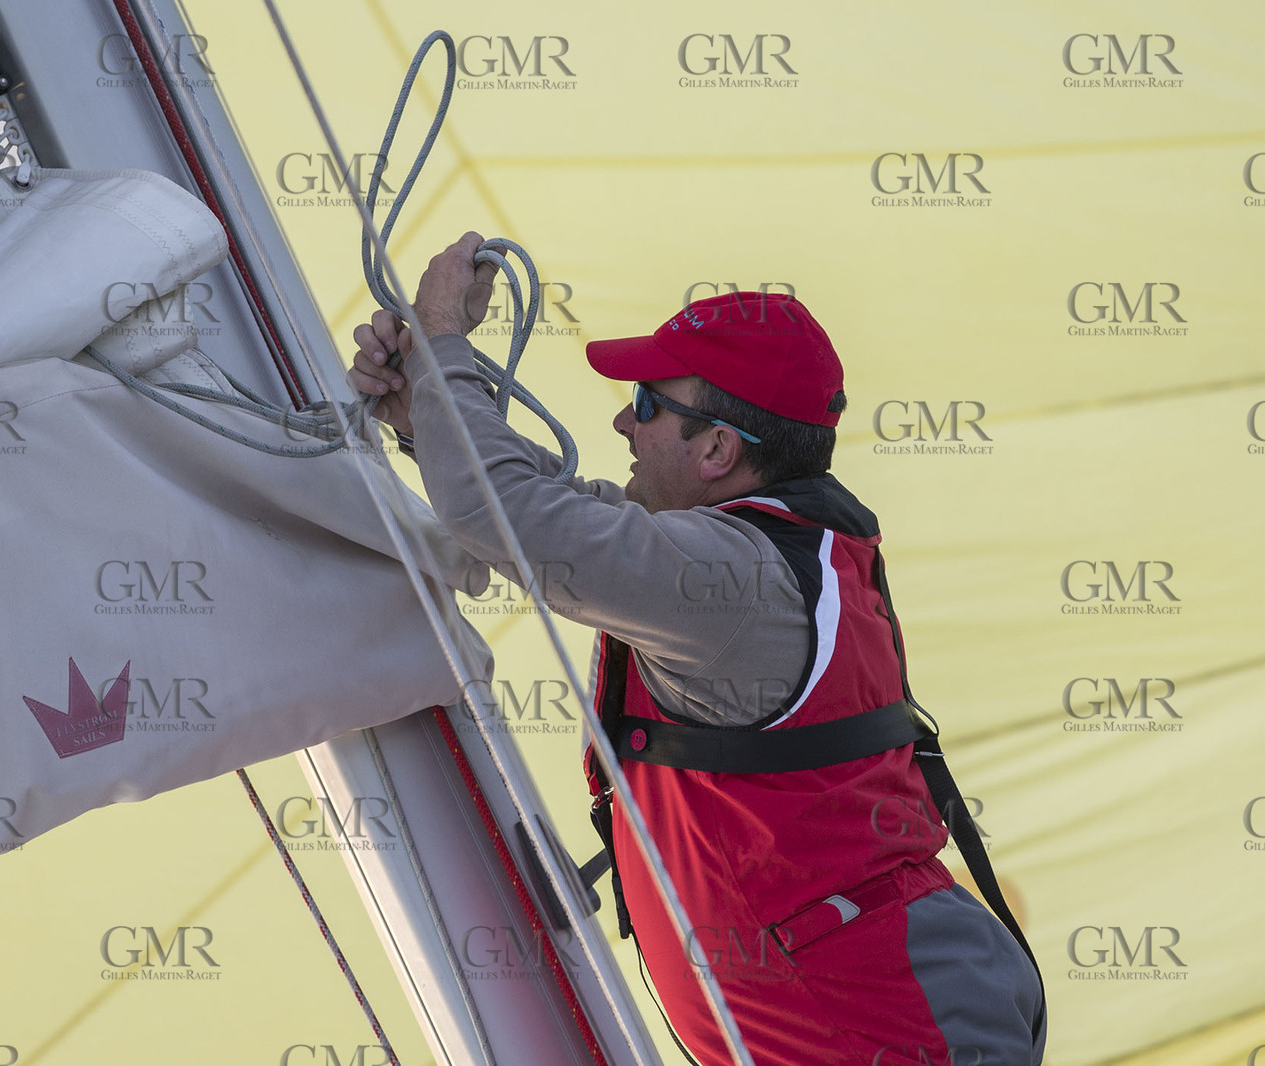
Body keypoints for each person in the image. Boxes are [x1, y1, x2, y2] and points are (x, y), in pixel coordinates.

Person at [349, 232, 1046, 1066]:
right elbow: (548, 506)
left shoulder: (733, 581)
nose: (621, 420)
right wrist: (430, 410)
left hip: (906, 1031)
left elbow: (510, 517)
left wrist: (442, 344)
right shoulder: (745, 554)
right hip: (893, 1014)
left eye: (646, 404)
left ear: (719, 450)